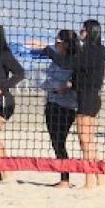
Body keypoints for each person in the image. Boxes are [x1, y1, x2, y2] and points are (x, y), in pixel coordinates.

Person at [39, 30, 80, 187]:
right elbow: (47, 79)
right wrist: (52, 86)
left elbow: (73, 82)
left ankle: (65, 179)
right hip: (52, 103)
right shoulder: (55, 60)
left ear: (66, 44)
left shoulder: (74, 60)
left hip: (67, 106)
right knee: (56, 142)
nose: (56, 44)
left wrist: (64, 86)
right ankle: (64, 178)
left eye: (58, 42)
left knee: (59, 142)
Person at [71, 19, 105, 190]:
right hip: (91, 97)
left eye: (83, 30)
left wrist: (47, 49)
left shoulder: (90, 51)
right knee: (89, 142)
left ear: (89, 32)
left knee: (85, 141)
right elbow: (83, 74)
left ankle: (89, 182)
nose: (81, 33)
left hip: (87, 98)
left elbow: (71, 64)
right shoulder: (98, 50)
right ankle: (100, 178)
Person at [0, 23, 23, 186]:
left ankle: (7, 173)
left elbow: (20, 73)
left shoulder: (4, 54)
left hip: (2, 101)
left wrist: (1, 88)